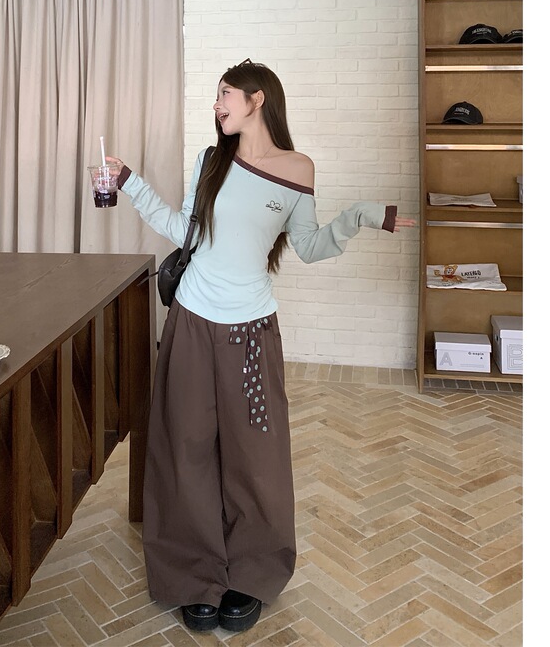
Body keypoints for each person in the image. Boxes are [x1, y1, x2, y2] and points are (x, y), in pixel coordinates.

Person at [105, 59, 415, 634]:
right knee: (186, 449)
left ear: (257, 99)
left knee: (257, 457)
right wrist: (130, 182)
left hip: (251, 331)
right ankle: (192, 574)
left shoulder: (297, 169)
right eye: (216, 95)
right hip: (192, 321)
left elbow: (310, 246)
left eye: (225, 93)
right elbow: (183, 230)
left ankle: (251, 573)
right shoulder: (210, 161)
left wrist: (362, 216)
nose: (217, 103)